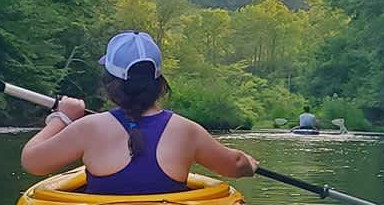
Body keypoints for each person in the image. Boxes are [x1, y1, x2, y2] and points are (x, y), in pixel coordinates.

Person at [21, 31, 258, 193]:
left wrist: (60, 118)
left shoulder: (88, 128)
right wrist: (249, 163)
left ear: (110, 82)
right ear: (159, 82)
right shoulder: (186, 130)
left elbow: (32, 162)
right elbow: (234, 165)